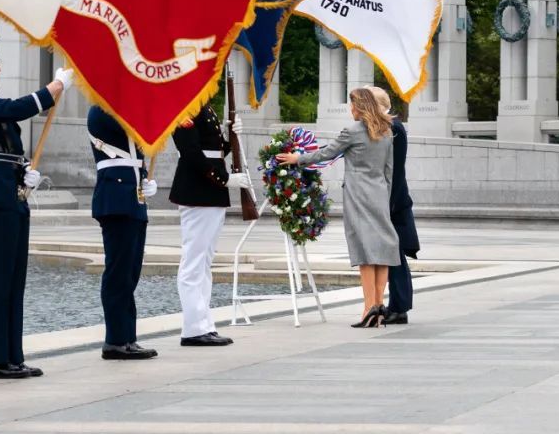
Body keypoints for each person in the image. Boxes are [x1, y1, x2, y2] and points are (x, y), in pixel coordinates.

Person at [0, 38, 71, 379]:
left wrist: (24, 172)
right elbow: (16, 109)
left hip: (10, 190)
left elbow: (5, 143)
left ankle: (10, 355)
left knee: (15, 277)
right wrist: (54, 87)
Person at [277, 88, 398, 328]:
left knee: (364, 251)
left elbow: (325, 154)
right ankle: (379, 307)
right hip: (379, 193)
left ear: (361, 107)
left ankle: (368, 309)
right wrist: (385, 197)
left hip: (358, 195)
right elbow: (389, 170)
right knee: (382, 250)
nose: (351, 110)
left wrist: (296, 159)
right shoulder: (386, 131)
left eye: (352, 106)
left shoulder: (352, 131)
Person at [169, 103, 249, 346]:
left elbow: (212, 149)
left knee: (204, 262)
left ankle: (203, 323)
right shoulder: (184, 106)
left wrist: (230, 136)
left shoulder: (203, 106)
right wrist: (224, 179)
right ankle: (193, 329)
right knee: (193, 263)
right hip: (198, 191)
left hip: (210, 193)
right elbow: (191, 151)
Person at [87, 106, 158, 360]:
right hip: (115, 197)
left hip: (132, 196)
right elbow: (138, 127)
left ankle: (128, 337)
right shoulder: (101, 111)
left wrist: (144, 178)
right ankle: (115, 340)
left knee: (130, 272)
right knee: (118, 272)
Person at [366, 86, 419, 324]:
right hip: (389, 201)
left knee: (394, 256)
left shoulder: (394, 127)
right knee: (392, 256)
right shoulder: (388, 126)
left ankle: (399, 308)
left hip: (393, 203)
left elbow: (395, 172)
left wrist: (387, 206)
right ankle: (397, 306)